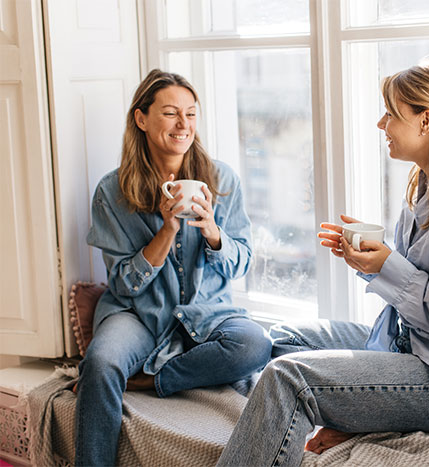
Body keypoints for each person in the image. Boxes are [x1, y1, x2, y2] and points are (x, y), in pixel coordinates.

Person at [216, 59, 429, 467]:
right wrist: (374, 259)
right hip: (415, 343)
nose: (380, 124)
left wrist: (388, 265)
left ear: (426, 121)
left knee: (288, 378)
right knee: (284, 340)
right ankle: (339, 417)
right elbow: (418, 283)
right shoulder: (424, 185)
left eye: (391, 114)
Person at [75, 69, 272, 466]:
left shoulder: (220, 179)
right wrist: (166, 231)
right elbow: (122, 284)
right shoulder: (111, 192)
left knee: (255, 344)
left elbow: (243, 261)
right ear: (141, 119)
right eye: (170, 113)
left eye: (191, 114)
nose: (184, 125)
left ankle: (152, 379)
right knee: (99, 364)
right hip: (137, 314)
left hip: (208, 311)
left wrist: (215, 234)